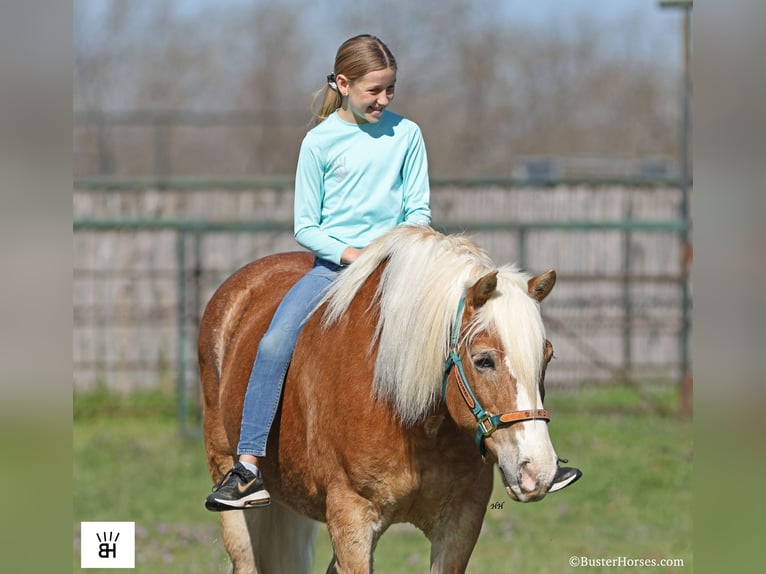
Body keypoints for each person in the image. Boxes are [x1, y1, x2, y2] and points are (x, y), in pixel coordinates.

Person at [205, 34, 580, 511]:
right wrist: (354, 257)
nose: (383, 100)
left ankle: (530, 451)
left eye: (390, 90)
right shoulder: (318, 142)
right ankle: (249, 466)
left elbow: (417, 210)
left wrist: (399, 254)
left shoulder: (407, 134)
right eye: (373, 91)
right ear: (343, 84)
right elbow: (306, 226)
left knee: (489, 339)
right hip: (333, 272)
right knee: (276, 341)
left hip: (402, 271)